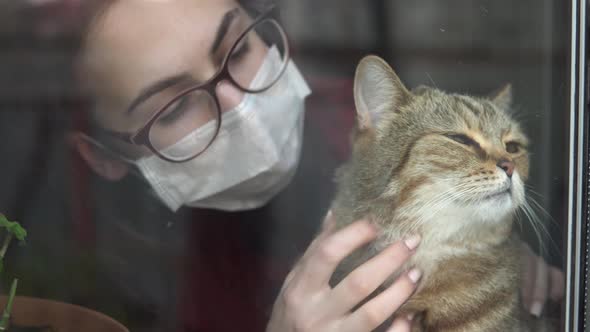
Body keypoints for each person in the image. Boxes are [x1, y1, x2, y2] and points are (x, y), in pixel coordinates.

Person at [16, 0, 564, 331]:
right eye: (177, 106)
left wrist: (480, 250)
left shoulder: (354, 125)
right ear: (102, 156)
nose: (243, 110)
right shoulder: (82, 281)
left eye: (238, 50)